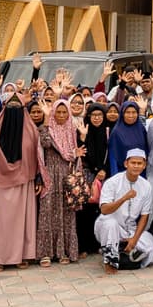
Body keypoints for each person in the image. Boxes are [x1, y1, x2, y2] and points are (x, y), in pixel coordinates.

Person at [0, 97, 43, 271]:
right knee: (1, 222)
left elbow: (39, 156)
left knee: (21, 222)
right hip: (0, 181)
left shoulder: (31, 130)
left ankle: (20, 256)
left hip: (25, 181)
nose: (14, 111)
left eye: (18, 108)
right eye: (11, 107)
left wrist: (38, 177)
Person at [95, 148, 153, 271]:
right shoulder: (112, 182)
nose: (136, 166)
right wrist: (124, 198)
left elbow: (145, 216)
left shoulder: (146, 186)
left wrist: (134, 240)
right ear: (126, 164)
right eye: (133, 163)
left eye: (139, 163)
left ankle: (126, 256)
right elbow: (104, 210)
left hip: (130, 229)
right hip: (109, 227)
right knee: (110, 224)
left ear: (144, 165)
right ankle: (110, 261)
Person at [37, 98, 84, 265]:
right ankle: (46, 253)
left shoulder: (72, 130)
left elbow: (76, 153)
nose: (62, 115)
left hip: (66, 176)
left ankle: (64, 251)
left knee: (66, 212)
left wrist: (76, 154)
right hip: (49, 175)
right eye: (58, 112)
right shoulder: (48, 129)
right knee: (47, 211)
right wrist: (46, 118)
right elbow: (45, 143)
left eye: (65, 112)